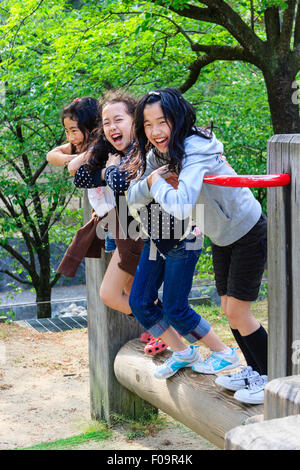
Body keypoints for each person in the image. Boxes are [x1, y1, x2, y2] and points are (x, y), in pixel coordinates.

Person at [126, 89, 241, 380]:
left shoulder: (195, 150)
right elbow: (133, 196)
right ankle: (183, 353)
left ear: (177, 119)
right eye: (148, 125)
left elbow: (182, 205)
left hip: (187, 236)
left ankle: (223, 353)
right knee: (140, 302)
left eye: (162, 121)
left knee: (176, 307)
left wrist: (156, 186)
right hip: (157, 235)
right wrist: (154, 180)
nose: (156, 131)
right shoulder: (154, 156)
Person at [72, 90, 168, 355]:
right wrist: (107, 170)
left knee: (116, 293)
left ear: (134, 120)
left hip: (146, 230)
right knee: (127, 291)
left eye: (118, 120)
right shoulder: (110, 149)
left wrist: (110, 171)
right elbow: (80, 177)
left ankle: (166, 327)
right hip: (125, 226)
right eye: (106, 123)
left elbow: (123, 183)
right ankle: (162, 328)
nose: (112, 127)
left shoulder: (143, 149)